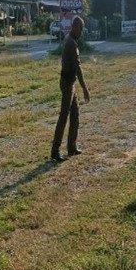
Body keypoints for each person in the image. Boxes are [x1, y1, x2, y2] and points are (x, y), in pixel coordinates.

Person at [51, 16, 90, 162]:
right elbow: (78, 68)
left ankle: (71, 147)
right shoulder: (71, 43)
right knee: (64, 116)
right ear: (75, 27)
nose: (81, 32)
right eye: (80, 28)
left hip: (69, 82)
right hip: (68, 83)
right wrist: (85, 88)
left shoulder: (70, 39)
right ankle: (55, 151)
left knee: (75, 114)